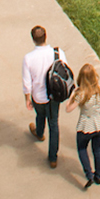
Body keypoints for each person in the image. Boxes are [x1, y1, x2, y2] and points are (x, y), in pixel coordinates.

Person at [22, 26, 65, 169]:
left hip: (38, 96)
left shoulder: (28, 58)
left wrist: (27, 98)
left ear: (33, 39)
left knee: (40, 114)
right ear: (45, 37)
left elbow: (27, 82)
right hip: (54, 96)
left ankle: (39, 132)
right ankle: (53, 158)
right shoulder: (58, 53)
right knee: (54, 124)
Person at [69, 59, 100, 187]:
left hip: (85, 126)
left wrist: (72, 96)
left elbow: (68, 109)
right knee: (97, 149)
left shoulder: (81, 94)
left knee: (82, 148)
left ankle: (89, 174)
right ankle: (98, 175)